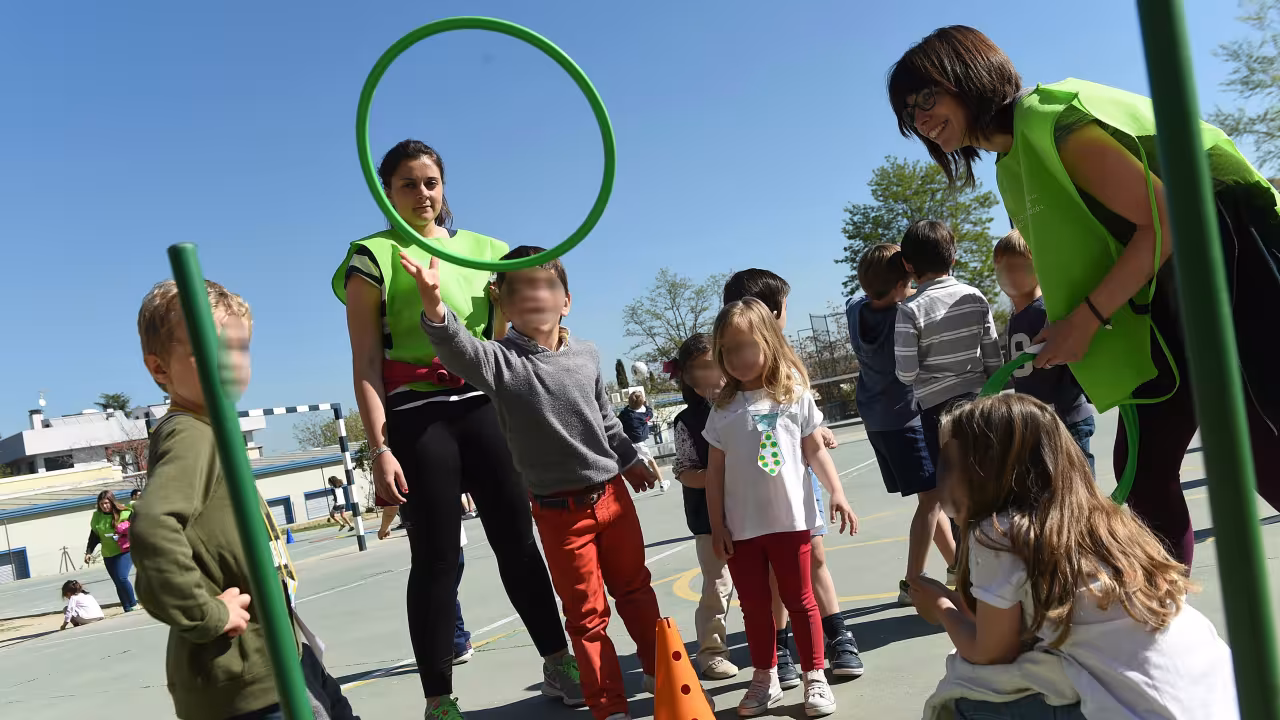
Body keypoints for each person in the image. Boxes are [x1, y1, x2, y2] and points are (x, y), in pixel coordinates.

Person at [888, 25, 1280, 566]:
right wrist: (1071, 322)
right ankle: (1157, 629)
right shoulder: (1012, 160)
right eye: (909, 113)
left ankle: (1156, 629)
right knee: (1144, 473)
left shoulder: (1054, 124)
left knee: (1261, 451)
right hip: (1165, 304)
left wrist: (1089, 318)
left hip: (1231, 268)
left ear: (967, 76)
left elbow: (1169, 221)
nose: (920, 119)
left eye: (926, 97)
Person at [333, 140, 580, 717]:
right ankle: (439, 698)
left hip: (484, 408)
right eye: (408, 184)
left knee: (519, 545)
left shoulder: (489, 252)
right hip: (417, 419)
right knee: (438, 560)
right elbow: (365, 363)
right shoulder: (369, 256)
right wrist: (379, 449)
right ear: (385, 190)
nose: (422, 194)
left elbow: (511, 341)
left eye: (431, 182)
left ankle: (558, 660)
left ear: (443, 186)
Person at [402, 243, 664, 720]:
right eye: (520, 289)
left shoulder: (587, 354)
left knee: (635, 589)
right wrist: (433, 301)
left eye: (547, 285)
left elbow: (605, 419)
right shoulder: (500, 363)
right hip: (561, 515)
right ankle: (608, 705)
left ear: (566, 300)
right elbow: (455, 347)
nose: (535, 295)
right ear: (502, 302)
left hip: (612, 498)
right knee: (586, 616)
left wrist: (631, 459)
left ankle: (659, 671)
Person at [908, 394, 1238, 720]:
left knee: (959, 702)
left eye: (952, 465)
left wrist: (942, 609)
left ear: (983, 471)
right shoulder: (1104, 521)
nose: (946, 479)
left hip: (1145, 707)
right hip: (1216, 693)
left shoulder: (999, 533)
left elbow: (991, 653)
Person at [131, 279, 359, 720]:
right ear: (160, 369)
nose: (231, 361)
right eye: (211, 349)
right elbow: (153, 530)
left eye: (240, 348)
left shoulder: (209, 429)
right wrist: (207, 614)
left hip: (280, 651)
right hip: (249, 673)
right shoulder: (190, 435)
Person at [705, 298, 859, 718]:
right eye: (727, 350)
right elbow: (715, 473)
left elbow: (814, 451)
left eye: (744, 346)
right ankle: (765, 677)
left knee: (800, 599)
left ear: (769, 342)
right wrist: (717, 524)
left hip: (791, 521)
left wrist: (837, 492)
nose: (736, 358)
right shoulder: (721, 409)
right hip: (742, 529)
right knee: (754, 606)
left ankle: (815, 676)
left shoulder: (794, 394)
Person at [847, 244, 957, 606]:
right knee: (931, 499)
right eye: (909, 280)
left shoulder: (855, 310)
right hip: (905, 419)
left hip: (877, 420)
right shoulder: (904, 315)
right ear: (900, 285)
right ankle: (912, 582)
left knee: (931, 498)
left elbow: (859, 296)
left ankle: (958, 565)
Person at [894, 219, 1003, 467]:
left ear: (907, 264)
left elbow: (907, 373)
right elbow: (994, 358)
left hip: (936, 410)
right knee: (988, 475)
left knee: (952, 483)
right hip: (978, 401)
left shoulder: (909, 311)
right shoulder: (974, 296)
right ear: (953, 258)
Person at [993, 229, 1097, 471]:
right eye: (1000, 268)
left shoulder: (1047, 313)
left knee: (1078, 486)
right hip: (1038, 424)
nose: (1006, 275)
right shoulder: (1014, 319)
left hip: (1066, 419)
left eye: (1016, 267)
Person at [670, 332, 739, 681]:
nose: (708, 374)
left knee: (768, 581)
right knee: (718, 584)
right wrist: (718, 476)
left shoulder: (744, 404)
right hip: (709, 519)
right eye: (698, 368)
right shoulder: (687, 421)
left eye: (713, 364)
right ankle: (711, 652)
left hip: (753, 511)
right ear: (686, 375)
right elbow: (685, 471)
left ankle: (776, 643)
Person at [85, 490, 137, 613]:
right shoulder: (97, 517)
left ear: (112, 502)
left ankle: (133, 603)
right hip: (108, 553)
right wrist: (88, 552)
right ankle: (127, 607)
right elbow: (94, 536)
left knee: (122, 577)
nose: (104, 506)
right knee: (117, 582)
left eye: (107, 503)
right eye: (102, 503)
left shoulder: (125, 513)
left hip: (125, 550)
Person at [618, 391, 667, 492]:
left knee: (636, 463)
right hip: (639, 443)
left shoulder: (624, 413)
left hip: (627, 442)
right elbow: (650, 414)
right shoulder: (641, 416)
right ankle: (662, 482)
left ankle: (643, 481)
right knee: (651, 461)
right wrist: (647, 406)